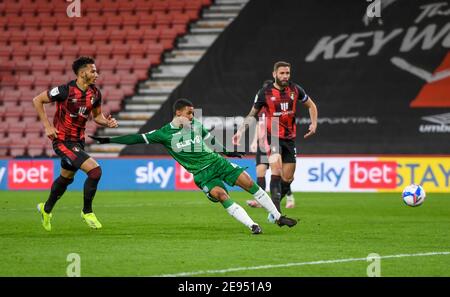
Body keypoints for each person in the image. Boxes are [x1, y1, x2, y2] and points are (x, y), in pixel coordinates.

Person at [90, 98, 298, 234]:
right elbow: (136, 138)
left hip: (218, 163)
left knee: (249, 183)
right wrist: (109, 141)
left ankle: (278, 217)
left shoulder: (196, 126)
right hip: (202, 176)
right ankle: (253, 225)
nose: (192, 116)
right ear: (178, 113)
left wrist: (227, 151)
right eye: (189, 113)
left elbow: (210, 142)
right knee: (221, 195)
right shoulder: (162, 134)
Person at [33, 56, 118, 231]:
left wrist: (107, 122)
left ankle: (46, 209)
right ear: (82, 73)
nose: (96, 74)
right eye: (93, 71)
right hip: (62, 140)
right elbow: (37, 100)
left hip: (78, 141)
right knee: (95, 171)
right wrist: (48, 126)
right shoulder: (65, 90)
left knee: (66, 178)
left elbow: (97, 117)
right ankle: (87, 212)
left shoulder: (95, 93)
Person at [232, 61, 318, 217]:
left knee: (288, 178)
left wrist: (314, 123)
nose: (285, 76)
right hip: (273, 138)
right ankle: (276, 212)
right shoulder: (264, 93)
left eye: (287, 73)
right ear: (274, 74)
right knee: (275, 169)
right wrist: (240, 132)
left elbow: (311, 106)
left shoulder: (296, 89)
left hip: (290, 139)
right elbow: (252, 114)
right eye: (282, 73)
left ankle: (273, 205)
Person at [246, 80, 296, 209]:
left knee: (282, 175)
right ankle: (260, 201)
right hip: (263, 146)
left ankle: (289, 198)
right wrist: (253, 141)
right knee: (260, 172)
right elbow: (258, 125)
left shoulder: (277, 109)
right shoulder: (261, 109)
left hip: (275, 141)